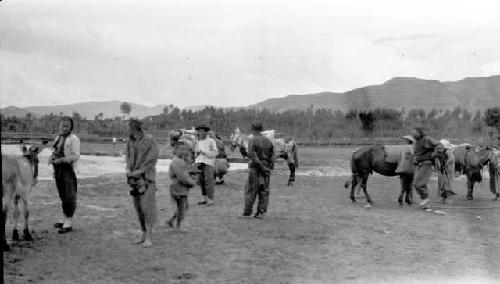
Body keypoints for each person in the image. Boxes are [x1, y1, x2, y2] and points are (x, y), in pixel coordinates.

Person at [125, 119, 159, 247]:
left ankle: (149, 237)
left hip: (147, 179)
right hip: (133, 179)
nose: (127, 129)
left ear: (134, 127)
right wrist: (129, 170)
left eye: (128, 127)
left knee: (147, 207)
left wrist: (139, 172)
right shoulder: (130, 141)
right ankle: (143, 233)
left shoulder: (150, 140)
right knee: (138, 208)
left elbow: (152, 160)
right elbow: (128, 157)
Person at [49, 117, 80, 234]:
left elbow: (76, 155)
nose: (64, 127)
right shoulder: (58, 137)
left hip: (69, 170)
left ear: (71, 127)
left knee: (69, 196)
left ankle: (69, 222)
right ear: (59, 126)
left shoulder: (74, 139)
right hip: (58, 170)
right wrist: (52, 159)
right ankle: (64, 218)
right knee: (62, 195)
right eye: (62, 125)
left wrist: (61, 160)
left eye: (67, 126)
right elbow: (55, 151)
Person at [243, 122, 275, 218]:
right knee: (264, 190)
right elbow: (273, 156)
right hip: (266, 169)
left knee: (251, 190)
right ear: (261, 129)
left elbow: (253, 156)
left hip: (256, 168)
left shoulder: (252, 140)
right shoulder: (269, 141)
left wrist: (262, 168)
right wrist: (268, 168)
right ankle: (261, 212)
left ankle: (247, 212)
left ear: (253, 129)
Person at [167, 144, 197, 230]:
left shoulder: (179, 160)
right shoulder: (178, 162)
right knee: (182, 207)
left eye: (185, 149)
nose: (183, 151)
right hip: (178, 188)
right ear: (176, 150)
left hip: (179, 187)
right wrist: (191, 183)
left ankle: (172, 221)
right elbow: (182, 177)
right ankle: (178, 226)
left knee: (183, 207)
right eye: (181, 149)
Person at [411, 127, 442, 208]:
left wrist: (434, 154)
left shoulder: (427, 139)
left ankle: (425, 198)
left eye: (414, 133)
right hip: (420, 164)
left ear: (419, 132)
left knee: (417, 183)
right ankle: (426, 205)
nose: (413, 135)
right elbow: (418, 153)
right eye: (412, 134)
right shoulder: (417, 141)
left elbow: (439, 145)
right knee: (423, 184)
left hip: (426, 164)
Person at [194, 124, 218, 205]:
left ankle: (210, 199)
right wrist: (196, 154)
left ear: (206, 132)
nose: (199, 133)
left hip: (208, 163)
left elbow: (215, 153)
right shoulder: (198, 142)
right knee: (202, 181)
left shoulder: (211, 141)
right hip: (199, 163)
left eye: (201, 131)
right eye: (199, 131)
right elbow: (196, 153)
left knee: (209, 181)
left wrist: (205, 152)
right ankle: (204, 198)